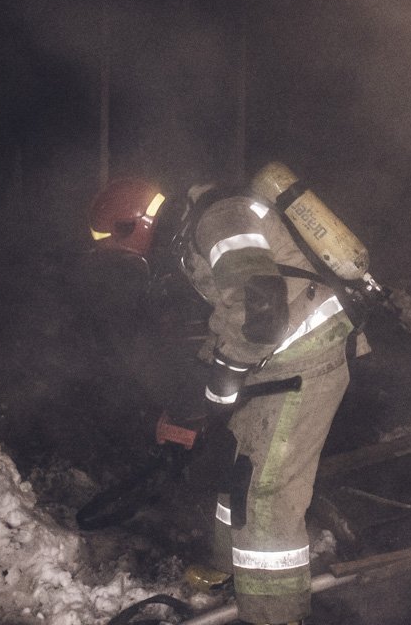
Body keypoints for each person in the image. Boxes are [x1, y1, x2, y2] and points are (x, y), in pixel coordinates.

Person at [88, 169, 362, 625]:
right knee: (235, 466)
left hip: (307, 359)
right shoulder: (194, 228)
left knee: (267, 494)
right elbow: (231, 310)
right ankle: (229, 568)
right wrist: (200, 385)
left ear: (136, 225)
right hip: (273, 358)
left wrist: (224, 377)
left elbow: (260, 307)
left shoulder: (219, 221)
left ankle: (275, 614)